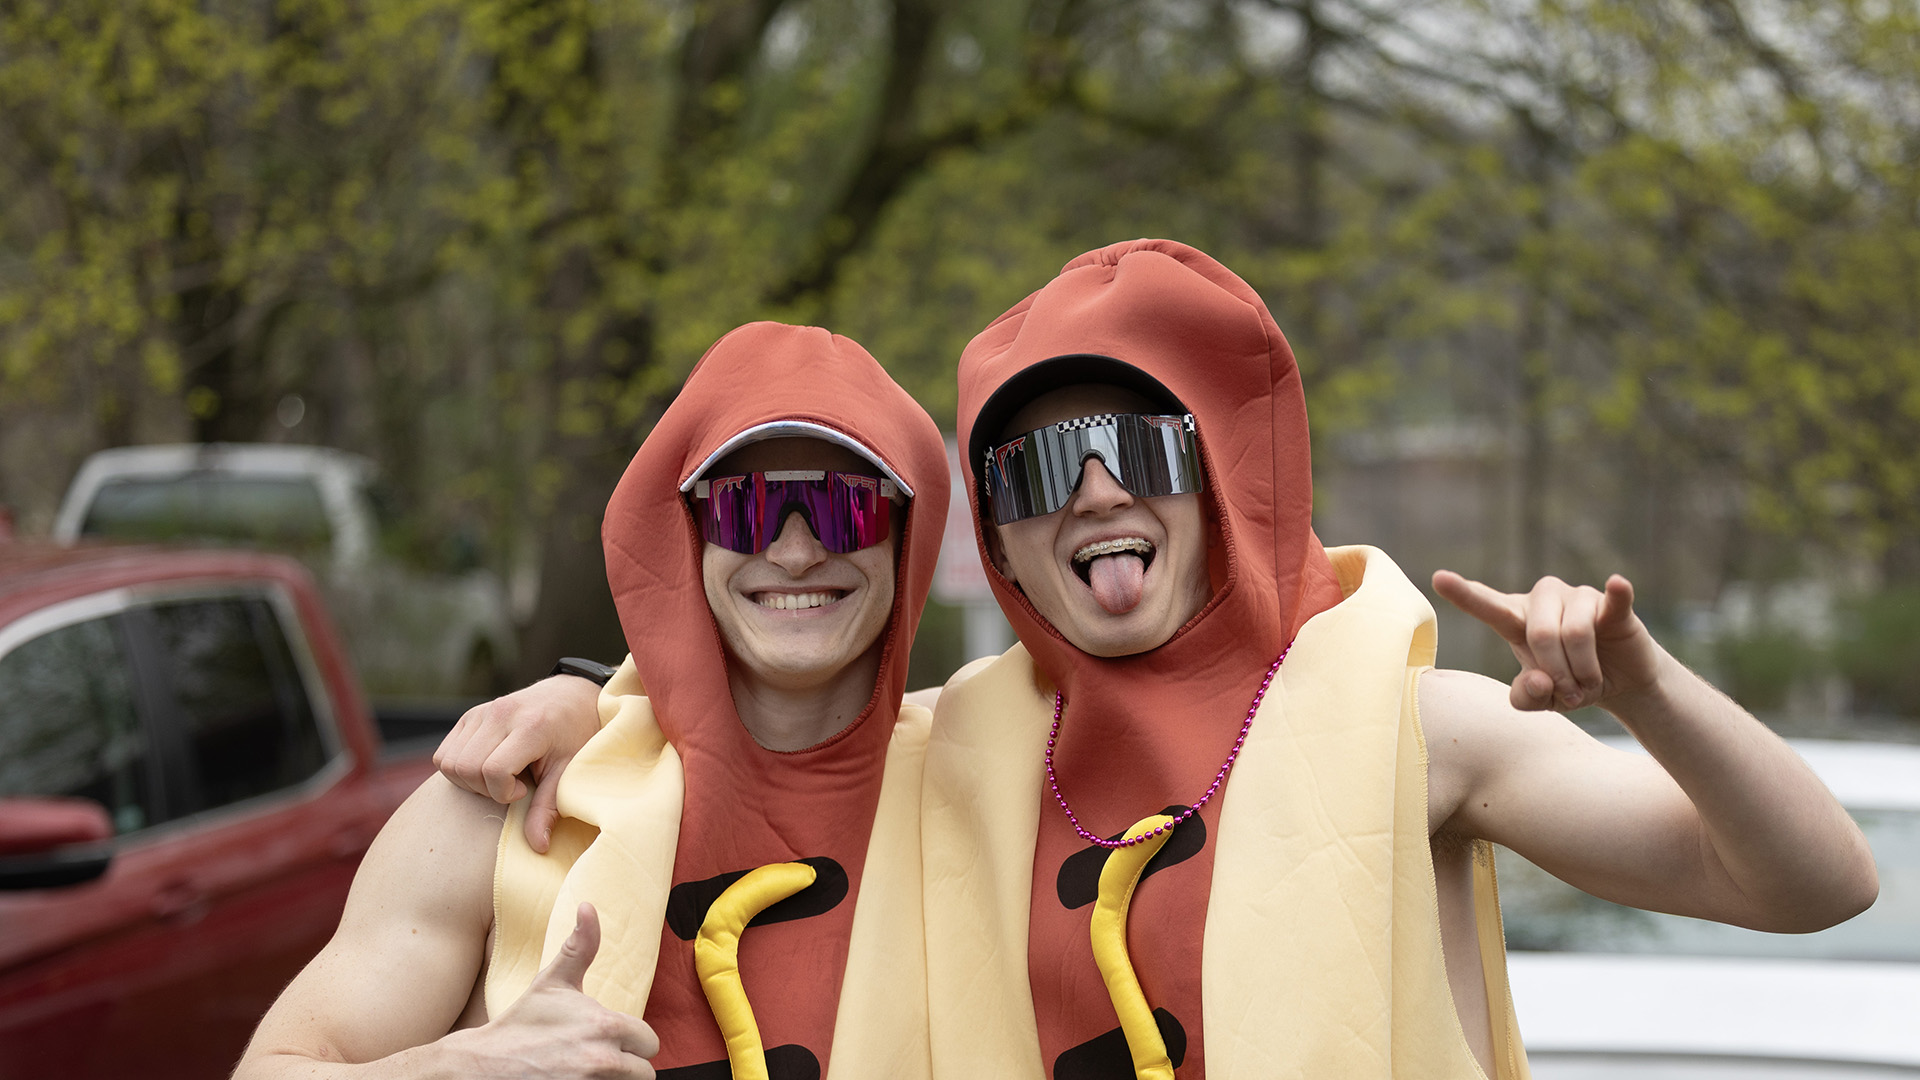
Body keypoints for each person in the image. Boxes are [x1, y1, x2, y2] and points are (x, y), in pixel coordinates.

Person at [442, 242, 1879, 1080]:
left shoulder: (1411, 726)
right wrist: (591, 695)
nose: (1088, 495)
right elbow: (768, 699)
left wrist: (1649, 691)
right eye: (1033, 465)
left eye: (1132, 444)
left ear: (1222, 467)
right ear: (995, 526)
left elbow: (1812, 885)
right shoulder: (961, 753)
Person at [233, 321, 948, 1079]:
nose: (798, 552)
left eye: (847, 507)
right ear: (689, 531)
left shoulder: (985, 795)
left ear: (906, 530)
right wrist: (461, 1068)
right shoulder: (501, 806)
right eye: (747, 508)